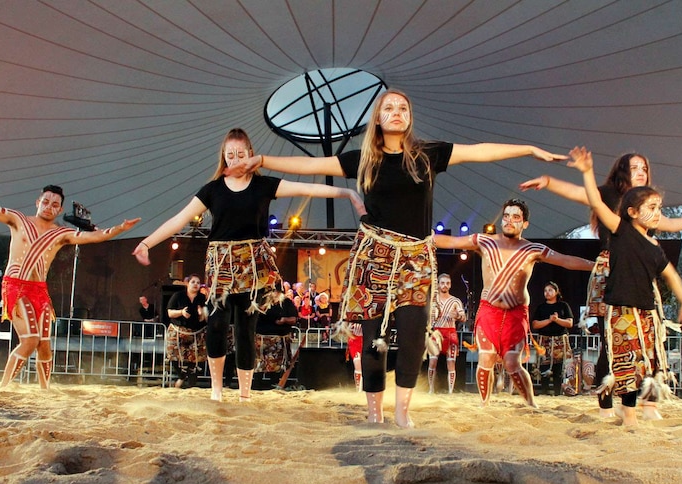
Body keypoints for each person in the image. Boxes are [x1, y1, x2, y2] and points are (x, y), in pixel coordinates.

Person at [226, 89, 566, 427]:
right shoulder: (364, 159)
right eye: (388, 107)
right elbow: (312, 164)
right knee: (372, 338)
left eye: (402, 107)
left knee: (414, 336)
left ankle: (402, 412)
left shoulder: (426, 155)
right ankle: (375, 412)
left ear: (409, 116)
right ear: (378, 117)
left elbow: (480, 152)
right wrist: (263, 160)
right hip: (374, 255)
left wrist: (529, 149)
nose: (396, 111)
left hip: (416, 257)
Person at [132, 128, 365, 402]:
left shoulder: (263, 185)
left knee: (246, 329)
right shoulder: (212, 190)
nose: (235, 159)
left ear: (251, 155)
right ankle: (217, 392)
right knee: (217, 325)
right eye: (230, 155)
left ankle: (244, 395)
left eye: (241, 154)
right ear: (224, 157)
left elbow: (307, 188)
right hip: (222, 266)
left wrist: (346, 193)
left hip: (254, 267)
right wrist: (147, 243)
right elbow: (179, 219)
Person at [520, 153, 682, 417]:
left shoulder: (648, 208)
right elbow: (583, 194)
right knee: (612, 340)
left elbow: (671, 224)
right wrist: (549, 180)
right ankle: (606, 403)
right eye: (634, 167)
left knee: (650, 339)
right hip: (609, 271)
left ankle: (649, 402)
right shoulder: (609, 196)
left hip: (640, 273)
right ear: (621, 172)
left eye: (644, 168)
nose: (641, 171)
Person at [0, 169, 139, 389]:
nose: (49, 207)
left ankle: (44, 390)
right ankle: (3, 387)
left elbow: (94, 236)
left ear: (60, 209)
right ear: (38, 202)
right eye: (46, 202)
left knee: (45, 344)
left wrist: (119, 229)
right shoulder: (18, 220)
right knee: (30, 341)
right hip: (16, 286)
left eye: (54, 205)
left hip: (39, 290)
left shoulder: (60, 234)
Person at [566, 146, 682, 426]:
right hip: (618, 307)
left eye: (658, 209)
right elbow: (597, 203)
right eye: (651, 208)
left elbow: (671, 275)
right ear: (632, 211)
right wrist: (588, 172)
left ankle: (646, 404)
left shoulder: (654, 248)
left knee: (649, 356)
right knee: (619, 358)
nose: (657, 214)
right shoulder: (620, 231)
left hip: (645, 311)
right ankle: (620, 410)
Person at [434, 198, 594, 408]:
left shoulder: (533, 249)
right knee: (486, 359)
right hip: (489, 311)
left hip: (515, 314)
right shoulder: (484, 241)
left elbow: (565, 260)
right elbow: (452, 241)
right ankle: (484, 405)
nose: (509, 221)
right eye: (506, 216)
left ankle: (531, 404)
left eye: (515, 217)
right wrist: (423, 240)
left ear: (525, 223)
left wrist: (595, 265)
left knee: (511, 363)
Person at [531, 281, 574, 396]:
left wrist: (557, 320)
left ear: (556, 292)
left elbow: (570, 323)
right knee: (544, 368)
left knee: (558, 370)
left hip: (560, 341)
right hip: (544, 341)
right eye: (545, 291)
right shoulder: (541, 307)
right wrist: (549, 320)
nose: (547, 293)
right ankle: (544, 392)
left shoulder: (563, 305)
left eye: (550, 290)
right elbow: (535, 324)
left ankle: (557, 393)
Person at [165, 275, 207, 388]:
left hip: (196, 332)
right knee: (173, 355)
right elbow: (170, 313)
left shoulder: (202, 298)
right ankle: (181, 376)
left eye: (198, 282)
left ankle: (191, 384)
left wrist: (201, 313)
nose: (196, 284)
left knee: (196, 359)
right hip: (178, 330)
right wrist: (181, 312)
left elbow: (205, 318)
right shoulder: (178, 296)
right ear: (187, 283)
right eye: (193, 282)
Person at [427, 273, 466, 394]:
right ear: (438, 284)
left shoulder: (455, 301)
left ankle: (450, 391)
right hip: (436, 332)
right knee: (432, 362)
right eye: (442, 283)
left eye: (447, 283)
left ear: (450, 285)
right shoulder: (432, 300)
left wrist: (457, 315)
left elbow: (464, 317)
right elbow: (426, 316)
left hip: (450, 333)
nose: (445, 285)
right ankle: (431, 389)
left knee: (451, 363)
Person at [255, 287, 299, 377]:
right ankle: (258, 381)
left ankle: (274, 380)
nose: (274, 294)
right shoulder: (262, 300)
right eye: (272, 291)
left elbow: (294, 319)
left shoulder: (286, 302)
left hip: (279, 337)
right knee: (260, 362)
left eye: (276, 291)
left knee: (277, 364)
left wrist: (284, 320)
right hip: (261, 336)